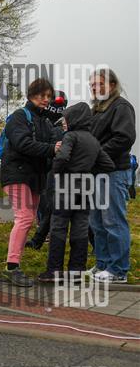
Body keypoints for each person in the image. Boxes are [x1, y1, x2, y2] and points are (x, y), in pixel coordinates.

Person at [38, 102, 114, 283]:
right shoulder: (93, 140)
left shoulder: (70, 136)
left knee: (58, 228)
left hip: (66, 187)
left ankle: (54, 272)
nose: (64, 123)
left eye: (66, 119)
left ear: (75, 119)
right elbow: (108, 165)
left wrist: (57, 171)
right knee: (80, 230)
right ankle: (76, 273)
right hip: (86, 189)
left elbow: (63, 157)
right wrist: (87, 170)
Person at [0, 78, 60, 287]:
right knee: (25, 217)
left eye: (49, 96)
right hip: (16, 173)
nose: (46, 100)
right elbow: (22, 143)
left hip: (35, 177)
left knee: (29, 219)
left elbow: (51, 147)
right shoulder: (19, 116)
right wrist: (52, 149)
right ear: (31, 95)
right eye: (42, 95)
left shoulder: (45, 122)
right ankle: (11, 267)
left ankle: (15, 262)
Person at [88, 68, 136, 284]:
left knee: (113, 221)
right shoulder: (96, 110)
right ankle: (103, 264)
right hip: (96, 173)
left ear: (113, 85)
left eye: (100, 84)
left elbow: (124, 138)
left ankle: (118, 270)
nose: (95, 88)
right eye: (92, 85)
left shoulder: (121, 107)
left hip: (114, 172)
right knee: (97, 222)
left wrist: (95, 154)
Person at [26, 90, 68, 250]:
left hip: (56, 170)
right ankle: (39, 239)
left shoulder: (56, 126)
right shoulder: (50, 124)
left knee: (53, 206)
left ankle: (42, 238)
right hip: (53, 169)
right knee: (50, 206)